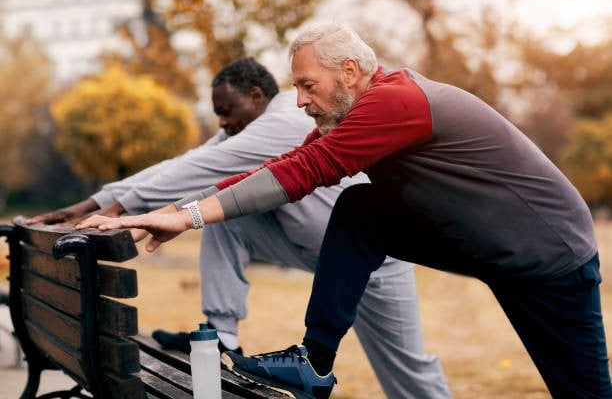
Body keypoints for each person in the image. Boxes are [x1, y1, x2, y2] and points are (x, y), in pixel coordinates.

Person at [76, 21, 612, 399]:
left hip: (551, 256)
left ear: (350, 71)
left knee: (584, 393)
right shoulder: (368, 105)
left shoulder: (395, 101)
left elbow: (306, 172)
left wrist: (186, 217)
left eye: (308, 86)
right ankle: (314, 361)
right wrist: (183, 208)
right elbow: (298, 159)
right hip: (495, 244)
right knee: (362, 208)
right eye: (296, 89)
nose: (302, 100)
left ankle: (313, 361)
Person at [31, 57, 451, 398]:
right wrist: (97, 202)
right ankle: (223, 338)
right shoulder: (244, 128)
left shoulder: (281, 120)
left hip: (371, 264)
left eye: (226, 112)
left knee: (406, 371)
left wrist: (117, 207)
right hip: (308, 244)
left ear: (255, 96)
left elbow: (199, 168)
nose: (221, 123)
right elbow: (183, 164)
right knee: (221, 212)